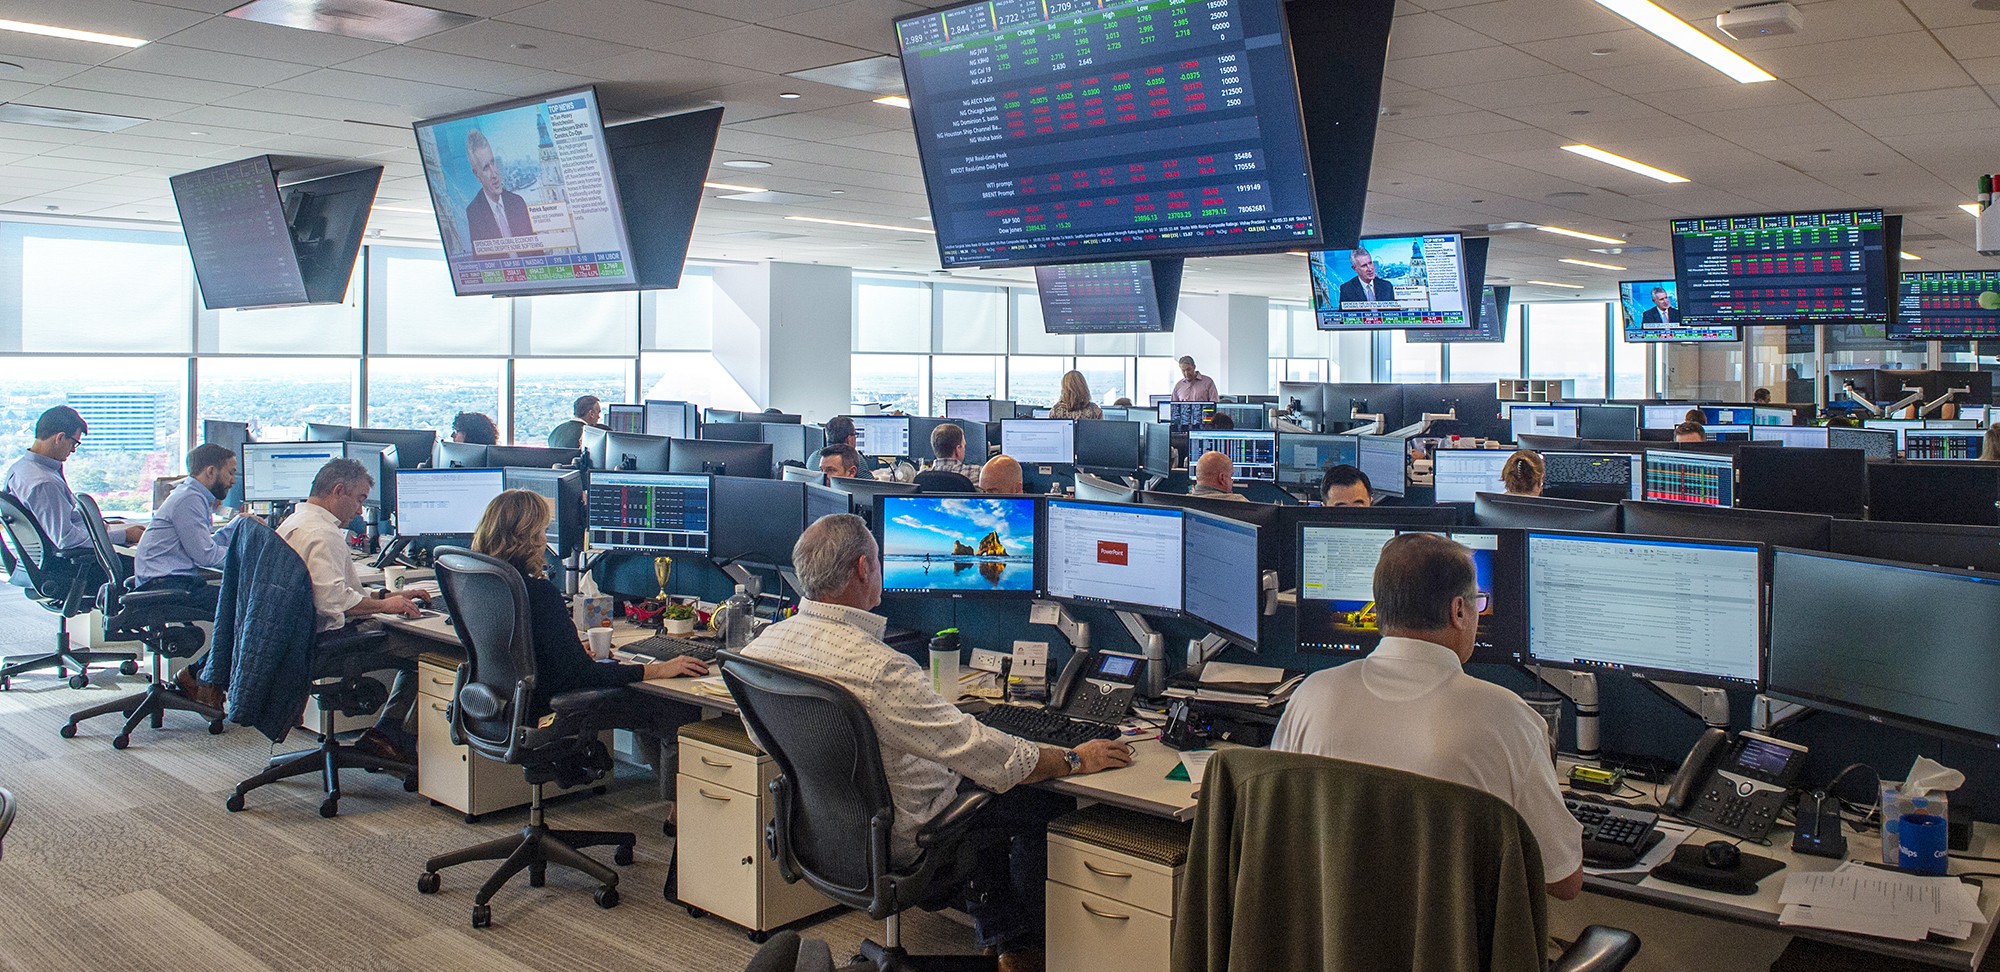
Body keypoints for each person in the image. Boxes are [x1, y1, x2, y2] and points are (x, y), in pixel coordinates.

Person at [741, 515, 1132, 961]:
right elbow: (989, 755)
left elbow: (762, 735)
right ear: (864, 569)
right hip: (909, 835)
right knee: (1039, 795)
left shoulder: (762, 649)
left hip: (819, 832)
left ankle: (1003, 937)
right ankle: (1025, 951)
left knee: (976, 782)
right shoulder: (880, 670)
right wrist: (1074, 759)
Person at [1270, 533, 1583, 901]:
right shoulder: (1507, 718)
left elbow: (1278, 833)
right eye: (1476, 603)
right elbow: (1563, 880)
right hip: (1451, 952)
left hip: (1327, 945)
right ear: (1459, 611)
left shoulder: (1311, 696)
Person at [472, 490, 704, 714]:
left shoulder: (479, 583)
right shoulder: (539, 593)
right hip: (545, 706)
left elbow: (524, 648)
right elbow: (584, 675)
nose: (545, 539)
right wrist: (658, 669)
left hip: (499, 706)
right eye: (542, 531)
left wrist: (569, 651)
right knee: (669, 708)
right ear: (527, 539)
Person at [279, 457, 434, 764]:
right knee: (426, 649)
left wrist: (387, 595)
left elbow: (324, 591)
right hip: (324, 643)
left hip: (295, 640)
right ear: (338, 490)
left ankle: (386, 733)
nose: (361, 510)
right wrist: (385, 606)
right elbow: (333, 602)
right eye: (360, 499)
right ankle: (389, 734)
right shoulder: (323, 535)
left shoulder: (296, 522)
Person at [4, 406, 144, 579]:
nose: (73, 450)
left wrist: (101, 526)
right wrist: (124, 535)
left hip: (42, 565)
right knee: (151, 568)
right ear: (60, 438)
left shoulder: (18, 469)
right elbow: (66, 539)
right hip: (66, 570)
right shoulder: (44, 483)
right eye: (73, 443)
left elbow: (57, 523)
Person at [133, 443, 255, 618]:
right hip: (167, 586)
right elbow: (206, 556)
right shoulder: (189, 499)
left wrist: (238, 523)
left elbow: (206, 546)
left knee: (245, 598)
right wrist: (251, 557)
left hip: (171, 582)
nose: (233, 481)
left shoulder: (193, 495)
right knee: (250, 602)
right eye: (231, 472)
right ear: (211, 471)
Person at [462, 129, 535, 252]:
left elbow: (536, 250)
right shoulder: (474, 212)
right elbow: (481, 260)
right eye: (486, 168)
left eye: (493, 162)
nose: (494, 173)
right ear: (476, 174)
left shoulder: (518, 202)